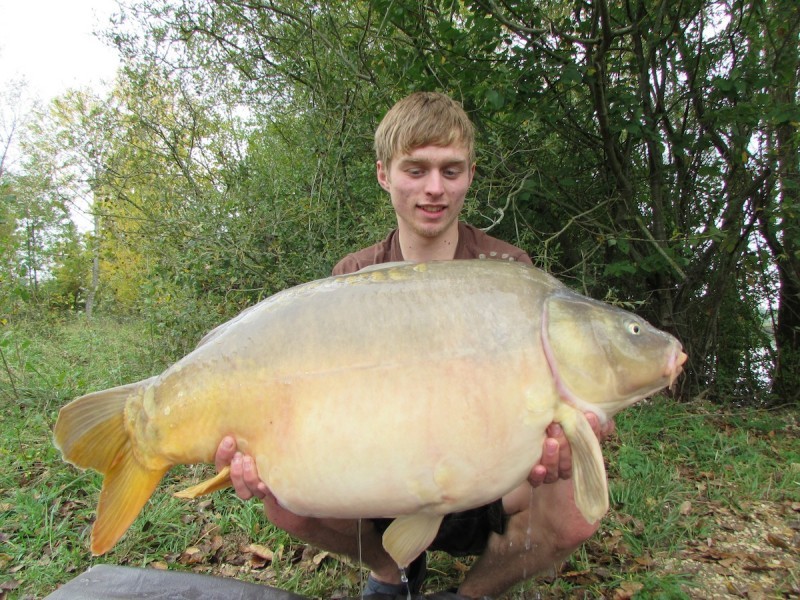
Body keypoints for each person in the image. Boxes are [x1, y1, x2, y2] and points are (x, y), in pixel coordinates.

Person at [215, 92, 613, 599]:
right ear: (384, 174)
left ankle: (469, 594)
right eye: (416, 169)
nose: (434, 189)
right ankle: (390, 570)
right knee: (281, 502)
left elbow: (562, 383)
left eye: (451, 171)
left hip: (484, 474)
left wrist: (578, 422)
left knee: (575, 511)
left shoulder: (508, 272)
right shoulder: (353, 277)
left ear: (470, 174)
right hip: (383, 475)